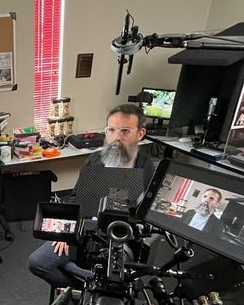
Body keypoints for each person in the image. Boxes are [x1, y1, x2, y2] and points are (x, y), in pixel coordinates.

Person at [27, 103, 156, 288]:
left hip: (118, 237)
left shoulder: (146, 168)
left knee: (113, 275)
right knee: (37, 263)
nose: (116, 137)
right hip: (84, 229)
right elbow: (76, 198)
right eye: (111, 130)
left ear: (140, 134)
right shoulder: (95, 160)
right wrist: (65, 232)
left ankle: (91, 282)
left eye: (125, 131)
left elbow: (143, 217)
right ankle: (86, 286)